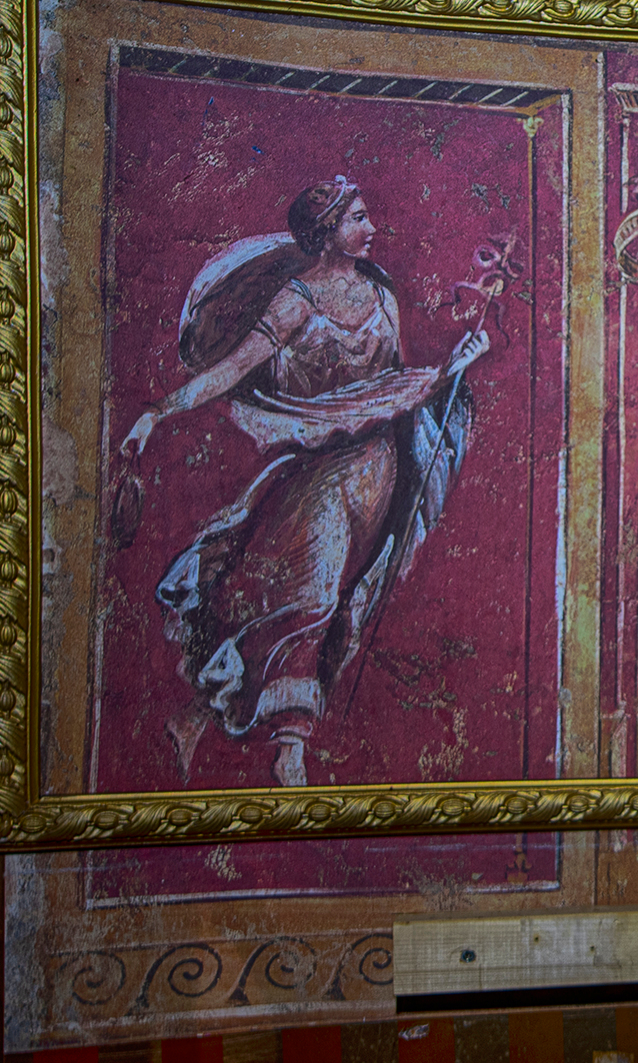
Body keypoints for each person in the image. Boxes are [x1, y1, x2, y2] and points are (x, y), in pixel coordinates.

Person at [119, 176, 488, 786]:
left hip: (378, 473)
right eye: (358, 218)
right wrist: (157, 413)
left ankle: (200, 720)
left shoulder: (381, 298)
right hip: (318, 474)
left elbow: (393, 390)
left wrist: (451, 371)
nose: (371, 229)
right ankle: (288, 754)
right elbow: (232, 369)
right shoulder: (295, 302)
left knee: (335, 604)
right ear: (327, 230)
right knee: (310, 597)